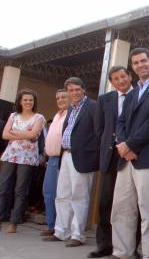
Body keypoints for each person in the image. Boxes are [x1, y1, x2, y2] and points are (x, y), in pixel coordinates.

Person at [98, 48, 149, 259]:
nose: (140, 65)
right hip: (126, 158)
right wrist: (123, 145)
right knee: (121, 207)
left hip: (148, 157)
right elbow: (120, 122)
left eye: (143, 61)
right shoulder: (131, 93)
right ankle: (122, 252)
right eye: (136, 63)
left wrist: (131, 145)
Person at [43, 77, 99, 246]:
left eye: (77, 89)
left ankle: (77, 235)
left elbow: (99, 133)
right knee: (62, 195)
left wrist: (92, 155)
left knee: (79, 196)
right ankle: (61, 231)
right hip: (65, 156)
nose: (74, 93)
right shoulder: (70, 109)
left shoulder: (93, 107)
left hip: (82, 157)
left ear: (83, 90)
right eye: (71, 90)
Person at [88, 66, 134, 258]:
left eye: (123, 76)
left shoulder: (139, 95)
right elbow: (99, 129)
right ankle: (104, 245)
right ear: (112, 82)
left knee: (131, 204)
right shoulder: (105, 99)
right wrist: (110, 145)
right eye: (116, 78)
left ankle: (133, 247)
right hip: (110, 155)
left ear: (130, 77)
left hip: (131, 154)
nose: (120, 81)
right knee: (106, 201)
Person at [0, 89, 46, 233]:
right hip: (10, 155)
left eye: (31, 100)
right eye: (25, 100)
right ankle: (1, 217)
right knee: (3, 187)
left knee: (20, 190)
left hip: (27, 157)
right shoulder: (13, 115)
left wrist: (15, 133)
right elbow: (4, 135)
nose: (28, 102)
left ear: (34, 102)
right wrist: (25, 135)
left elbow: (34, 134)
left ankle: (14, 222)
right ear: (20, 101)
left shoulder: (39, 117)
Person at [40, 89, 69, 236]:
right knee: (49, 192)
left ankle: (60, 227)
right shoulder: (58, 115)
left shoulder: (70, 114)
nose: (60, 100)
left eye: (64, 97)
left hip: (62, 158)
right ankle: (51, 225)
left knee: (62, 195)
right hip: (51, 159)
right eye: (58, 98)